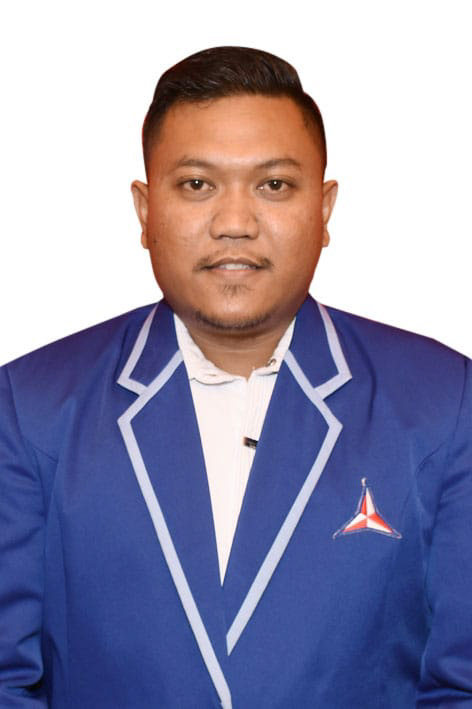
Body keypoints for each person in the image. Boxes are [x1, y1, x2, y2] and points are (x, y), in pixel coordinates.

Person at [0, 46, 471, 709]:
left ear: (324, 209)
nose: (234, 224)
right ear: (145, 211)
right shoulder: (31, 407)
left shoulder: (443, 403)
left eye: (273, 185)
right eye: (197, 185)